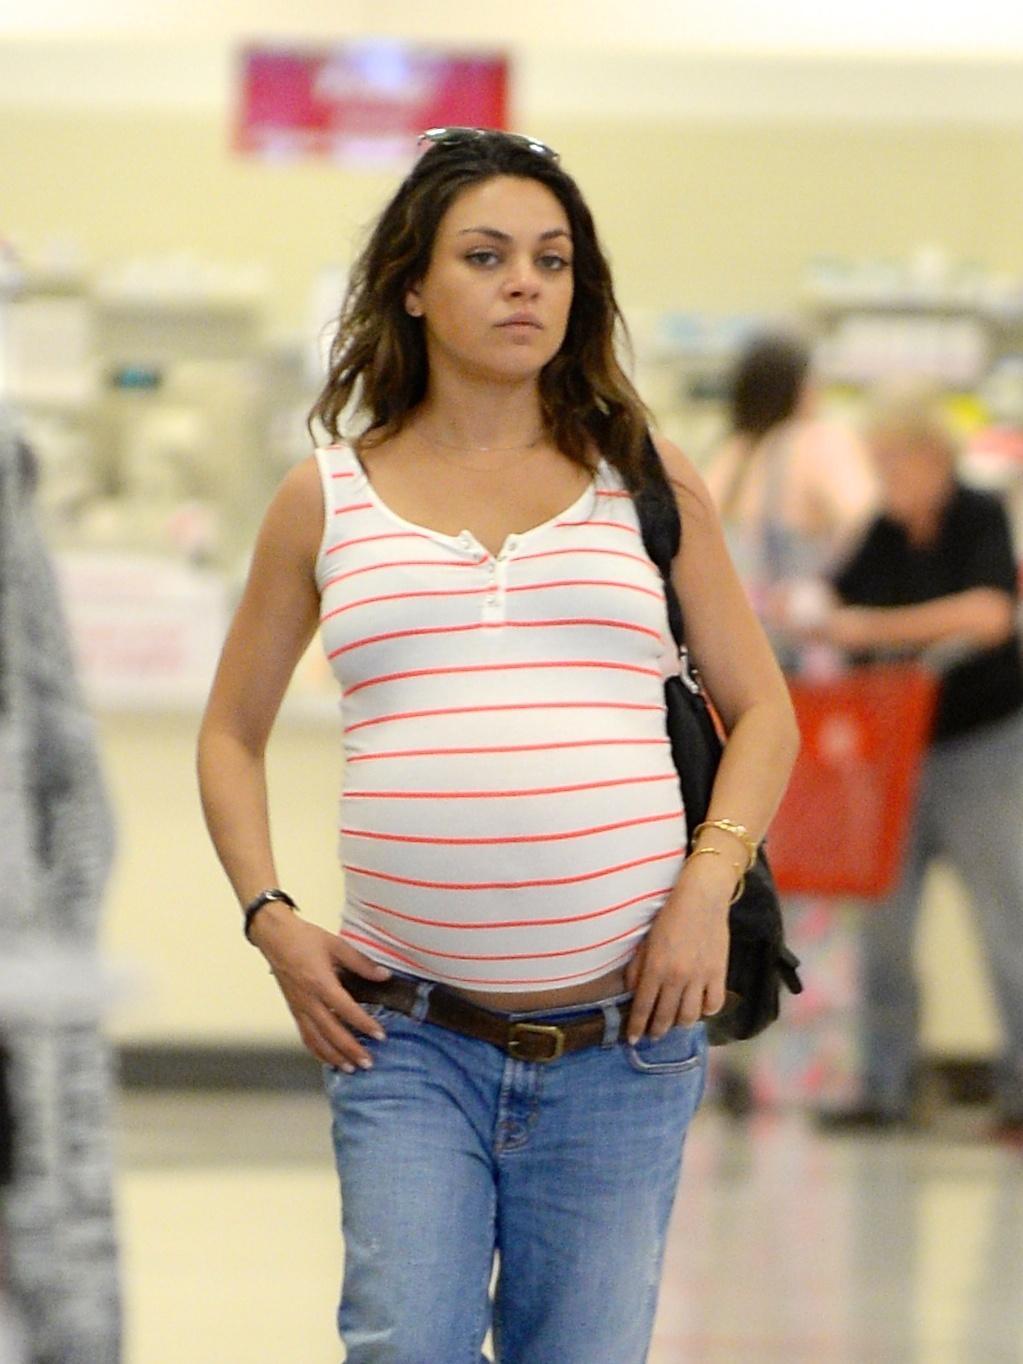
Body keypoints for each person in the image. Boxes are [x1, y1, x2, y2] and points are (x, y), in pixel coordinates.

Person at [197, 126, 798, 1363]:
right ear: (413, 286)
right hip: (405, 1037)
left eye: (552, 258)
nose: (525, 282)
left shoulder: (646, 477)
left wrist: (707, 886)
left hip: (626, 1037)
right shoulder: (325, 498)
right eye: (485, 255)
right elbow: (230, 732)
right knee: (403, 1343)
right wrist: (269, 914)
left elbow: (765, 713)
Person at [781, 385, 1023, 1135]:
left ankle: (1018, 1090)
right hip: (894, 756)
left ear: (932, 457)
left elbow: (990, 615)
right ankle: (885, 1087)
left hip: (982, 748)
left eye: (892, 460)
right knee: (883, 925)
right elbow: (827, 605)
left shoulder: (977, 516)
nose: (883, 476)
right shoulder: (883, 532)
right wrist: (810, 606)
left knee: (1006, 919)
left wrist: (868, 629)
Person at [703, 332, 878, 1115]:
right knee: (813, 880)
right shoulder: (814, 445)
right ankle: (804, 1073)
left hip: (721, 696)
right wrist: (819, 584)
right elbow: (864, 511)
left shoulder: (722, 458)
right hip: (801, 687)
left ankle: (717, 1057)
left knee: (728, 862)